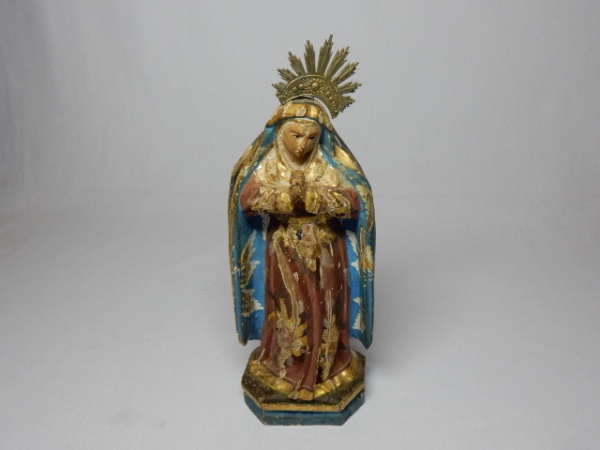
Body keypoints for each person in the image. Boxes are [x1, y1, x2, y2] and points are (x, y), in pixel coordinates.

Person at [229, 99, 375, 401]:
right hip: (285, 249)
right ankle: (285, 367)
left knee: (326, 304)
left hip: (326, 248)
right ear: (280, 132)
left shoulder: (326, 164)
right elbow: (247, 200)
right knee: (290, 307)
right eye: (296, 135)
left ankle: (329, 365)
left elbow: (354, 201)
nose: (303, 144)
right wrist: (287, 197)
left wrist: (311, 196)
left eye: (311, 137)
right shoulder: (270, 165)